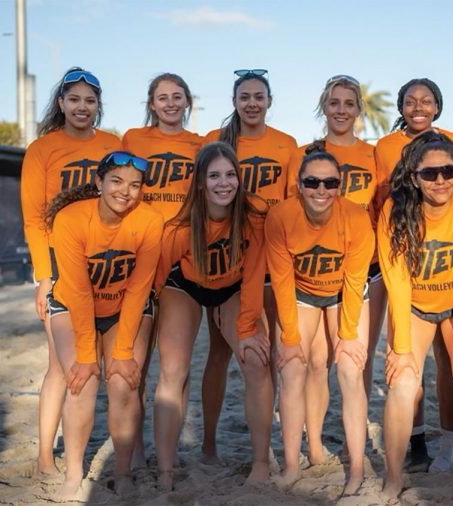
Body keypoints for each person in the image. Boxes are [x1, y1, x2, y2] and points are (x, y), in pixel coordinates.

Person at [378, 131, 453, 500]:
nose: (440, 180)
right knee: (403, 381)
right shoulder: (395, 209)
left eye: (448, 171)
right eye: (430, 173)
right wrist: (399, 347)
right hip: (415, 304)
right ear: (414, 177)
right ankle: (393, 479)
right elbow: (396, 280)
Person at [44, 151, 164, 499]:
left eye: (135, 185)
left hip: (124, 306)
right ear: (99, 183)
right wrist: (85, 354)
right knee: (82, 381)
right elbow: (79, 291)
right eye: (116, 181)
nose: (125, 192)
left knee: (124, 381)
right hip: (72, 304)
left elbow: (140, 288)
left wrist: (123, 352)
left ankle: (123, 471)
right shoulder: (71, 219)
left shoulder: (149, 221)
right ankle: (75, 471)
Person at [20, 67, 121, 477]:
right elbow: (32, 219)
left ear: (99, 106)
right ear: (60, 103)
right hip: (60, 264)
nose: (82, 107)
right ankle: (46, 456)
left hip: (108, 261)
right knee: (62, 364)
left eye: (90, 100)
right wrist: (44, 277)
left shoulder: (114, 144)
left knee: (109, 362)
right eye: (74, 99)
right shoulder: (42, 149)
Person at [153, 141, 271, 487]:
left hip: (232, 288)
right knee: (173, 368)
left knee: (256, 360)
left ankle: (260, 463)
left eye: (231, 174)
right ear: (201, 182)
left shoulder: (252, 219)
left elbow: (252, 277)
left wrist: (248, 327)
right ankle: (164, 470)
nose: (224, 183)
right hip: (185, 286)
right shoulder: (180, 227)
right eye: (215, 175)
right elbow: (155, 281)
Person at [201, 69, 298, 462]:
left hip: (272, 253)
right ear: (235, 101)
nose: (252, 103)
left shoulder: (287, 144)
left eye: (259, 96)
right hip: (228, 259)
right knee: (221, 353)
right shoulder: (216, 142)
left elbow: (293, 201)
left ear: (270, 101)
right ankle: (209, 443)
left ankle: (271, 444)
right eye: (245, 96)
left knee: (271, 350)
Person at [374, 77, 453, 473]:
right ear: (400, 106)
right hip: (405, 245)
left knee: (451, 366)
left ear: (437, 106)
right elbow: (383, 196)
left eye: (426, 100)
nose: (418, 106)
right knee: (407, 366)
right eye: (410, 100)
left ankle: (447, 444)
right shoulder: (384, 147)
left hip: (449, 269)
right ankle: (415, 444)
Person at [267, 147, 373, 495]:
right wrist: (291, 336)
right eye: (312, 182)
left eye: (330, 182)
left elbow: (356, 280)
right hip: (301, 291)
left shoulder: (356, 218)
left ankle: (356, 469)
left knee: (348, 367)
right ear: (299, 184)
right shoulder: (282, 216)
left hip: (345, 293)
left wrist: (346, 334)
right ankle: (297, 461)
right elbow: (281, 280)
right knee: (296, 364)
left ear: (340, 186)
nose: (321, 190)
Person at [288, 75, 386, 419]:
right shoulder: (303, 154)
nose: (341, 110)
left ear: (359, 109)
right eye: (334, 103)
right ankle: (310, 433)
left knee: (358, 356)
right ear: (323, 108)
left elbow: (382, 209)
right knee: (316, 360)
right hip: (316, 271)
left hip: (366, 267)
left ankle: (352, 439)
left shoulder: (373, 155)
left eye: (348, 103)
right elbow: (292, 212)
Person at [122, 72, 204, 220]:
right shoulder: (133, 138)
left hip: (184, 234)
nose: (171, 104)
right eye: (162, 98)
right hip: (140, 232)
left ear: (187, 102)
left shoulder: (201, 144)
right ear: (152, 104)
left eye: (177, 97)